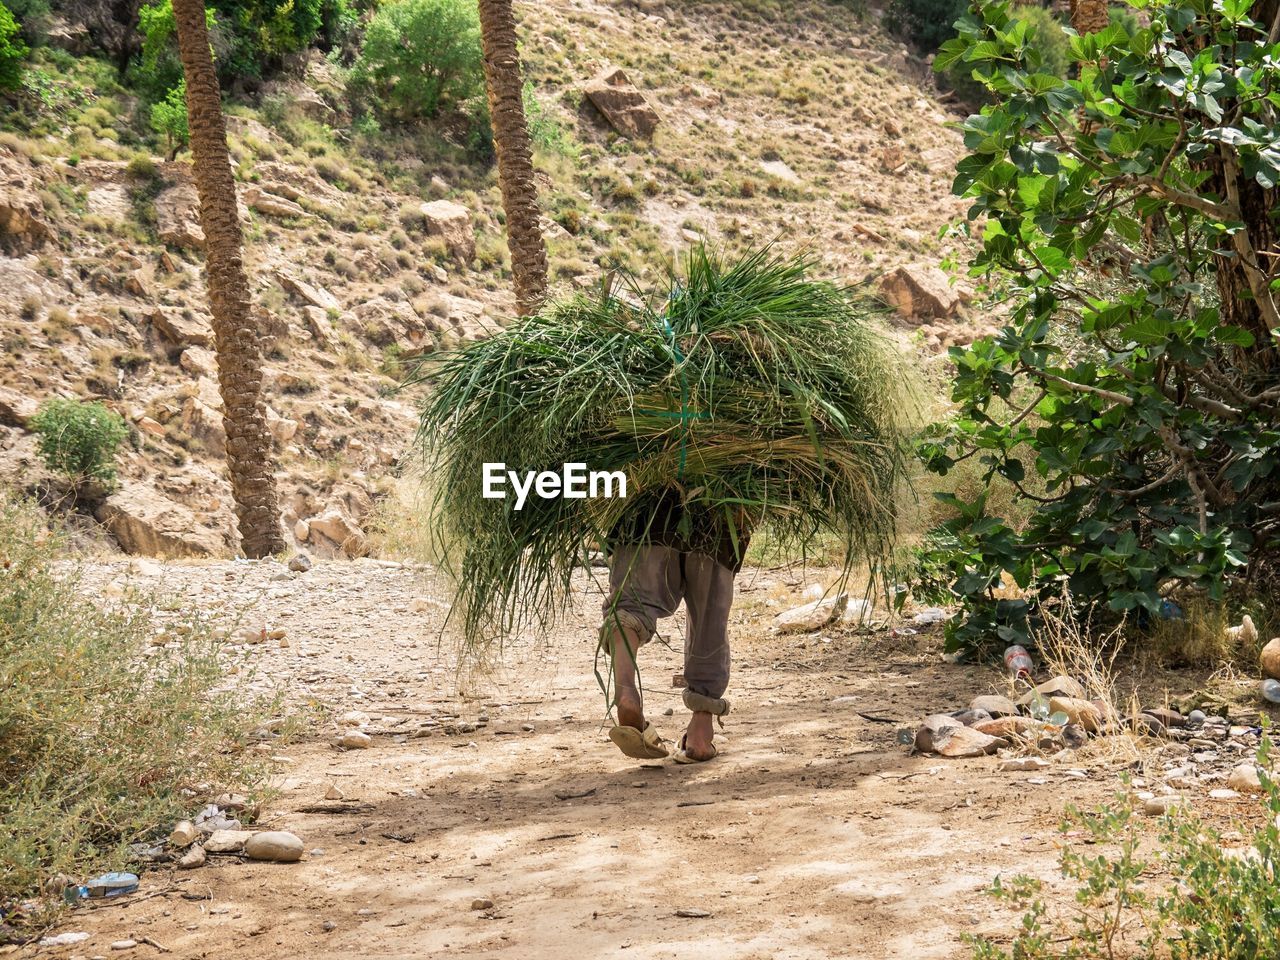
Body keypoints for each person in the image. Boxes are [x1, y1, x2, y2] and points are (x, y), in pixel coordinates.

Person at [599, 491, 750, 763]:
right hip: (720, 503)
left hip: (646, 502)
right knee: (709, 618)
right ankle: (701, 734)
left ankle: (626, 691)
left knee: (632, 605)